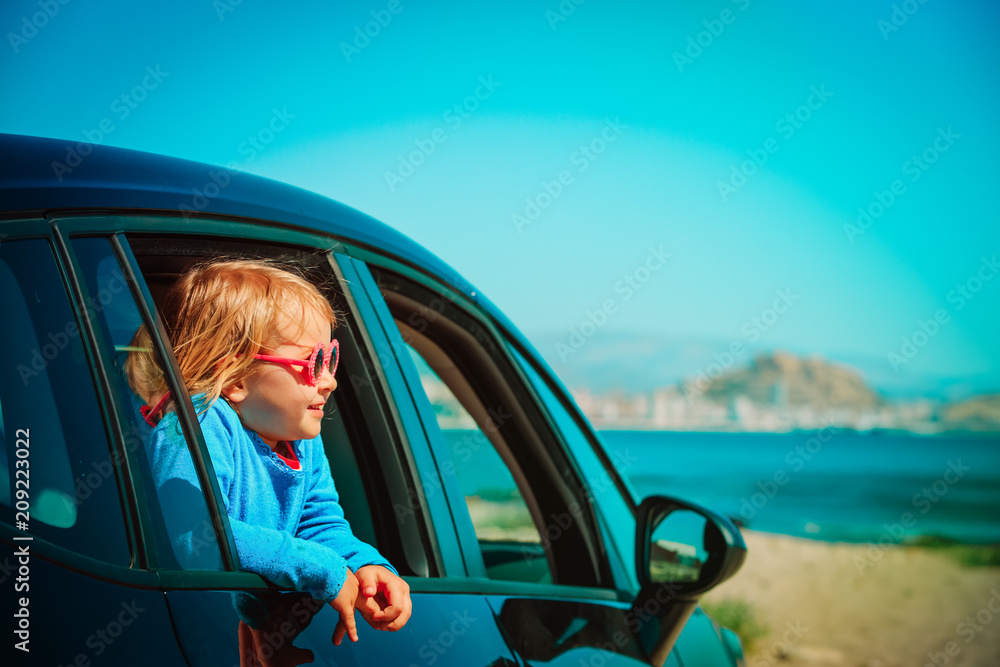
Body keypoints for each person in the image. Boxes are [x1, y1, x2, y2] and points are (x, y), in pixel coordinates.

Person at [126, 259, 411, 645]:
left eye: (332, 358)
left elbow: (319, 525)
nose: (330, 381)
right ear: (237, 378)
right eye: (314, 363)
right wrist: (324, 570)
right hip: (188, 634)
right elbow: (197, 536)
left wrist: (364, 564)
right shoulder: (196, 425)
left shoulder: (303, 443)